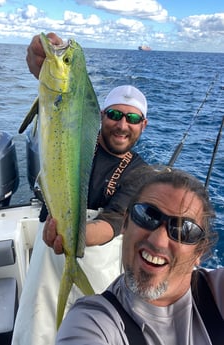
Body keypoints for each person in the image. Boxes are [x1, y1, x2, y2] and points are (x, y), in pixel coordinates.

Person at [12, 33, 149, 345]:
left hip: (96, 264)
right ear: (100, 115)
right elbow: (52, 87)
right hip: (48, 259)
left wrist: (74, 236)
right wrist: (40, 62)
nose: (122, 124)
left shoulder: (140, 172)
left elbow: (114, 222)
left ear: (143, 125)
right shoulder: (74, 130)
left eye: (132, 118)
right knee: (35, 335)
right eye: (114, 114)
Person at [55, 166, 223, 345]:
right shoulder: (90, 322)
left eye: (183, 230)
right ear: (125, 223)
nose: (158, 240)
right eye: (147, 216)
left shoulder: (217, 292)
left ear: (200, 251)